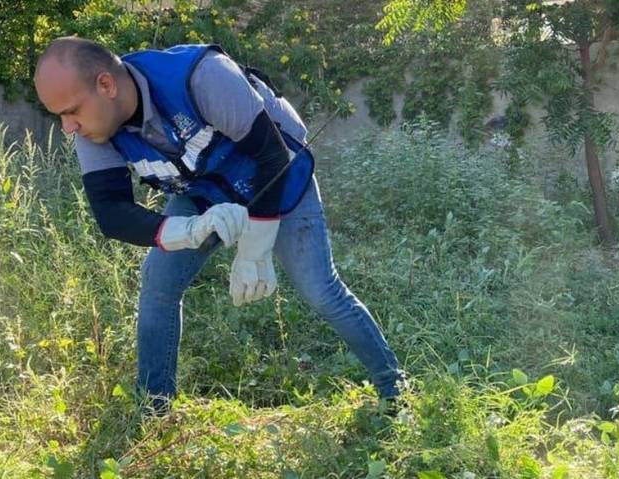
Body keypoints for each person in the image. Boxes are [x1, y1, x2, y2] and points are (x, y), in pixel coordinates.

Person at [33, 36, 403, 413]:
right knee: (158, 286)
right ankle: (154, 410)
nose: (67, 127)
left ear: (106, 85)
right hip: (203, 194)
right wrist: (188, 230)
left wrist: (255, 247)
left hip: (277, 177)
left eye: (71, 111)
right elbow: (111, 213)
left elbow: (272, 155)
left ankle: (395, 388)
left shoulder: (201, 76)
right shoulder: (93, 128)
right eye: (59, 116)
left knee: (320, 290)